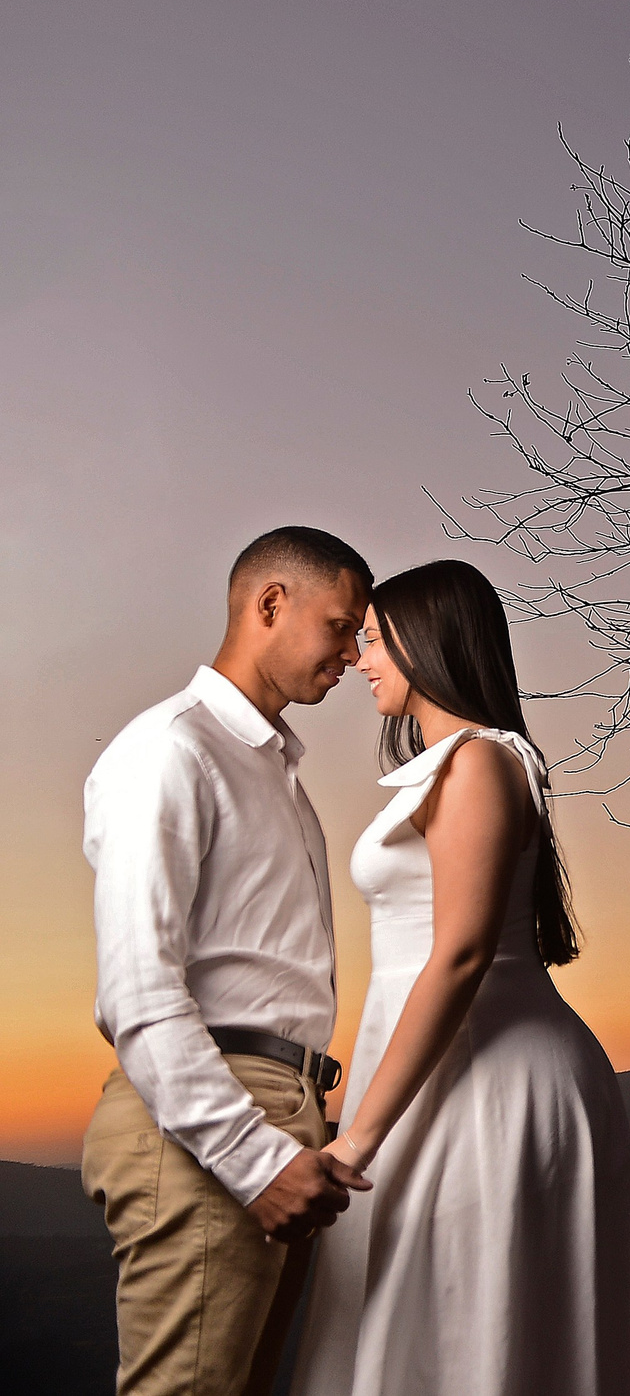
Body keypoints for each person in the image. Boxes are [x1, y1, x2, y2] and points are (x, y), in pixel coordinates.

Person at [290, 559, 630, 1396]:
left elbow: (461, 953)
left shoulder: (478, 763)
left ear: (429, 642)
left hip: (486, 1079)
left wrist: (357, 1138)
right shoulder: (462, 764)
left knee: (473, 1324)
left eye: (377, 638)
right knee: (425, 1315)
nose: (362, 658)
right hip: (432, 1070)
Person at [82, 526, 377, 1396]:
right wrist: (256, 1158)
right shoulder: (171, 749)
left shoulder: (267, 763)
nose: (353, 653)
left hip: (278, 1114)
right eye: (340, 624)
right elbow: (138, 990)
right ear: (270, 605)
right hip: (211, 1126)